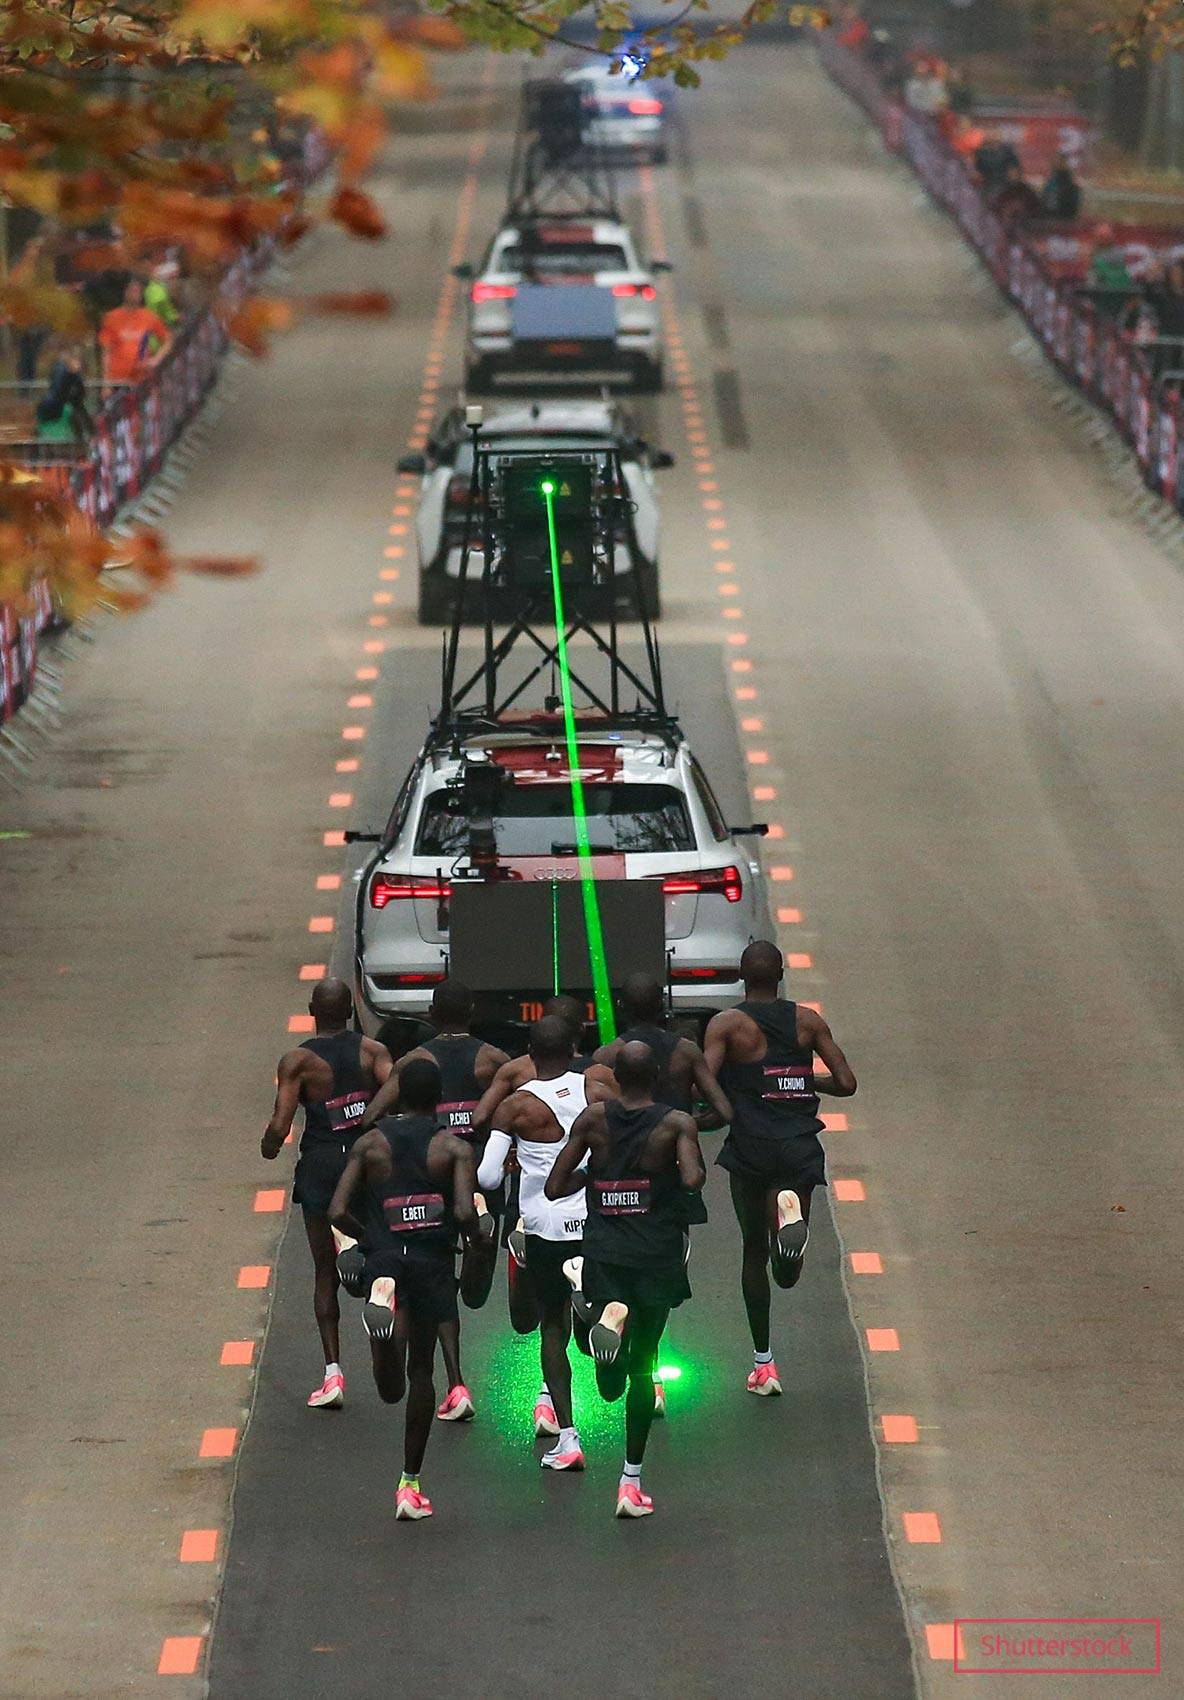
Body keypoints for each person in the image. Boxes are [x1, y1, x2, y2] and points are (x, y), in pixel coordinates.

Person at [546, 1042, 706, 1518]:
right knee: (642, 1368)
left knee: (609, 1385)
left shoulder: (593, 1120)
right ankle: (630, 1482)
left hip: (604, 1252)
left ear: (616, 1077)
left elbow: (556, 1185)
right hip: (655, 1254)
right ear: (656, 1075)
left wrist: (597, 1181)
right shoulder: (676, 1122)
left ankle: (603, 1313)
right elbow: (694, 1179)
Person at [329, 1059, 489, 1521]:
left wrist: (370, 1237)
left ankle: (380, 1341)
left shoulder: (370, 1144)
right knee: (421, 1375)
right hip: (431, 1263)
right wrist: (474, 1236)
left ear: (398, 1096)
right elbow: (462, 1212)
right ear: (438, 1097)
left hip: (384, 1258)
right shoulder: (452, 1148)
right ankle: (409, 1483)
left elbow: (337, 1209)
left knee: (388, 1388)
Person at [704, 942, 857, 1396]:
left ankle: (764, 1365)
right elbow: (847, 1083)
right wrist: (802, 1080)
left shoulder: (728, 1025)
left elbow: (705, 1081)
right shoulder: (807, 1021)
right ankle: (789, 1215)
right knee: (786, 1273)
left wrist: (714, 1107)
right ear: (782, 973)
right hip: (798, 1148)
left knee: (754, 1251)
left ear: (741, 976)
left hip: (751, 1147)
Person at [356, 978, 508, 1421]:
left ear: (431, 1013)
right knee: (462, 1289)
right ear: (474, 1011)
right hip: (474, 1176)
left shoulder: (414, 1062)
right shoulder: (494, 1060)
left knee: (432, 1280)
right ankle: (481, 1249)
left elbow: (369, 1117)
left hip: (421, 1178)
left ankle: (454, 1383)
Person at [476, 1016, 614, 1470]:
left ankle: (569, 1438)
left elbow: (487, 1176)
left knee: (549, 1328)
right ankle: (596, 1312)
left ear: (530, 1056)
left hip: (543, 1226)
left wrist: (518, 1159)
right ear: (575, 1050)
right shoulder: (596, 1092)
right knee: (600, 1302)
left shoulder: (515, 1107)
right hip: (592, 1221)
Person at [261, 977, 393, 1408]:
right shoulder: (372, 1052)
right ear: (351, 1010)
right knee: (381, 1261)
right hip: (365, 1163)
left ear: (312, 1011)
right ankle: (384, 1352)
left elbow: (281, 1126)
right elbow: (396, 1095)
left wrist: (267, 1146)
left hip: (321, 1165)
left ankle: (333, 1374)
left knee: (323, 1271)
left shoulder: (298, 1061)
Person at [98, 280, 171, 387]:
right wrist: (106, 383)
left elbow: (168, 340)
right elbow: (106, 352)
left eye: (138, 292)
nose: (135, 295)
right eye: (132, 291)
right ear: (125, 292)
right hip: (117, 379)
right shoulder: (111, 317)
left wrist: (156, 359)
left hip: (141, 378)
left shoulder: (149, 317)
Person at [35, 348, 93, 443]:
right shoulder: (61, 370)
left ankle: (84, 438)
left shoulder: (76, 376)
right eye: (75, 362)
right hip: (54, 403)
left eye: (78, 363)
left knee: (78, 413)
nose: (77, 366)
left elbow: (81, 393)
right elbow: (58, 390)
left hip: (65, 402)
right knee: (72, 414)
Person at [973, 129, 1021, 195]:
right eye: (990, 134)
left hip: (1004, 183)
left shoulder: (1007, 150)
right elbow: (976, 169)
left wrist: (1014, 180)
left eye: (994, 134)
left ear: (999, 136)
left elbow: (1015, 166)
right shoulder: (981, 152)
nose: (992, 136)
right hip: (988, 184)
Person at [1041, 153, 1081, 222]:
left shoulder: (1068, 183)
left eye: (1061, 161)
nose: (1059, 163)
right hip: (1051, 213)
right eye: (1058, 161)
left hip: (1062, 214)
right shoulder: (1052, 180)